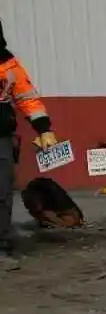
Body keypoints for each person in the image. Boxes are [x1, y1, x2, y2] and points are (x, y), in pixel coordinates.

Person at [1, 19, 59, 268]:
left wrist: (44, 129)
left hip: (0, 139)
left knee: (1, 194)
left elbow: (27, 99)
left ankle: (1, 247)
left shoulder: (8, 65)